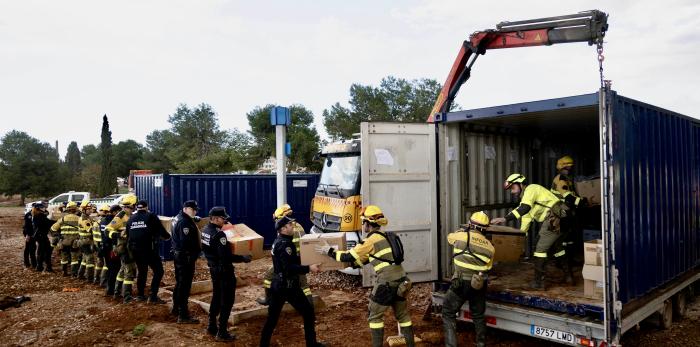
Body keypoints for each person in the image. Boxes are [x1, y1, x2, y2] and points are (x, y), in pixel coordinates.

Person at [316, 205, 414, 347]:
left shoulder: (370, 241)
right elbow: (367, 259)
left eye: (363, 222)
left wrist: (329, 251)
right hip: (402, 281)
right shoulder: (386, 237)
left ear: (368, 223)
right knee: (403, 316)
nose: (363, 225)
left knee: (374, 317)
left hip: (386, 284)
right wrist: (352, 265)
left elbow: (348, 255)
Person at [491, 173, 569, 290]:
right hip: (562, 218)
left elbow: (524, 208)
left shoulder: (531, 189)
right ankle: (569, 276)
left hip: (556, 217)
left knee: (539, 249)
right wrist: (519, 241)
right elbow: (525, 221)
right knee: (558, 248)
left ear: (520, 183)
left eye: (513, 188)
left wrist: (504, 219)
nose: (512, 192)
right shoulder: (527, 200)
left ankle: (539, 283)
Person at [260, 215, 323, 347]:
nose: (292, 227)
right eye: (289, 225)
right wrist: (309, 268)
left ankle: (263, 344)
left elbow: (292, 260)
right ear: (283, 229)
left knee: (272, 319)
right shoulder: (285, 245)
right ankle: (311, 344)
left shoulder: (281, 240)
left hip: (279, 285)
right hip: (288, 287)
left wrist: (309, 259)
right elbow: (289, 267)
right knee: (307, 312)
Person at [442, 211, 495, 347]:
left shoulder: (460, 236)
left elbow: (449, 238)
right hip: (478, 283)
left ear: (470, 224)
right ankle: (481, 344)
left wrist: (462, 231)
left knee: (448, 312)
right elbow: (487, 267)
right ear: (485, 228)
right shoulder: (490, 247)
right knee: (478, 316)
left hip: (459, 283)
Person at [201, 206, 251, 341]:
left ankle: (212, 326)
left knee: (216, 297)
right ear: (215, 219)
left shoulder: (205, 230)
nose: (225, 221)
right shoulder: (219, 235)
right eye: (223, 218)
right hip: (224, 271)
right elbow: (226, 256)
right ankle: (222, 332)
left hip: (214, 270)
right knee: (227, 301)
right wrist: (243, 258)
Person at [257, 204, 311, 306]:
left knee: (269, 276)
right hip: (301, 260)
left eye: (277, 219)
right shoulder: (297, 225)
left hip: (292, 262)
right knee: (303, 285)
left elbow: (286, 250)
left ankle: (269, 299)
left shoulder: (288, 229)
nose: (276, 222)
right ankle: (309, 307)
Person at [551, 155, 587, 285]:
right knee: (560, 243)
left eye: (570, 167)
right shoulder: (560, 180)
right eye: (567, 167)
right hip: (559, 215)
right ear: (561, 167)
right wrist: (583, 202)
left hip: (567, 214)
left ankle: (568, 260)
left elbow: (573, 195)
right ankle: (565, 270)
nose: (569, 169)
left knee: (569, 240)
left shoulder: (568, 180)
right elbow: (569, 198)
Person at [126, 200, 171, 304]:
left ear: (137, 208)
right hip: (149, 250)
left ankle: (140, 295)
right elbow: (160, 230)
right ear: (146, 207)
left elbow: (128, 235)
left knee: (142, 272)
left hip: (135, 250)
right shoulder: (151, 216)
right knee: (159, 271)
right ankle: (153, 296)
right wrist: (167, 237)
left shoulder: (131, 219)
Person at [171, 200, 202, 323]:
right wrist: (195, 253)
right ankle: (183, 315)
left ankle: (176, 309)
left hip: (178, 256)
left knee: (179, 283)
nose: (195, 211)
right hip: (185, 258)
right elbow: (186, 242)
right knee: (184, 286)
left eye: (196, 210)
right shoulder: (185, 222)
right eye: (193, 209)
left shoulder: (178, 218)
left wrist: (193, 220)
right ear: (186, 209)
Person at [105, 194, 138, 302]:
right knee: (129, 271)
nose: (134, 209)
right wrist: (118, 235)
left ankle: (117, 292)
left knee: (122, 270)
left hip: (128, 246)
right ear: (131, 205)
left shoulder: (130, 215)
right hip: (124, 247)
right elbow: (107, 230)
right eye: (133, 206)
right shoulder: (120, 216)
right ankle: (127, 296)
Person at [50, 201, 81, 277]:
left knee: (64, 257)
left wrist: (59, 236)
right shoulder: (79, 219)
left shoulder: (62, 219)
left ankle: (64, 272)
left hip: (64, 241)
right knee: (74, 258)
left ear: (67, 209)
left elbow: (53, 229)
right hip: (75, 242)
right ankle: (74, 273)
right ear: (76, 210)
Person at [102, 205, 123, 297]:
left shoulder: (103, 220)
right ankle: (112, 290)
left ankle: (109, 289)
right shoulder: (112, 221)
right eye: (119, 211)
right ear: (115, 212)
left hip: (105, 248)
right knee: (115, 269)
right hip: (111, 248)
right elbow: (110, 235)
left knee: (111, 269)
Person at [77, 200, 97, 282]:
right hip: (85, 242)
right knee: (90, 259)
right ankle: (90, 278)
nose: (90, 210)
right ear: (83, 210)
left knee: (84, 259)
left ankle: (80, 275)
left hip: (85, 241)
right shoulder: (84, 219)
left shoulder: (87, 217)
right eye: (88, 209)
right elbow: (90, 230)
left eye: (90, 209)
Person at [32, 202, 54, 273]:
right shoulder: (39, 216)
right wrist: (58, 222)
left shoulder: (38, 215)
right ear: (39, 209)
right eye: (42, 207)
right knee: (45, 251)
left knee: (43, 251)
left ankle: (42, 266)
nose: (44, 208)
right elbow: (48, 223)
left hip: (41, 236)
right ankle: (43, 267)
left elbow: (48, 222)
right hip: (41, 236)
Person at [93, 204, 111, 287]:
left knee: (99, 263)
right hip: (102, 245)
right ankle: (103, 281)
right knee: (105, 265)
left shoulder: (96, 222)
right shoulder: (105, 221)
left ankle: (96, 279)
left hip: (97, 245)